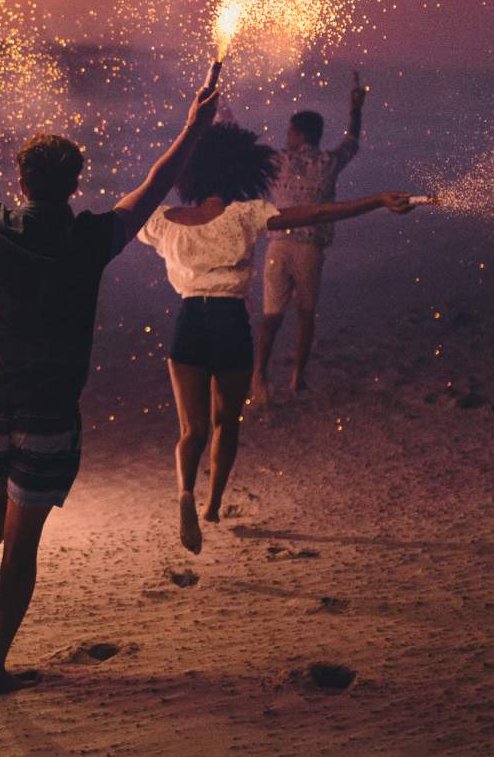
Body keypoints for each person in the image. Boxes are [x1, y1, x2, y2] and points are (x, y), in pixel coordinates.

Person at [0, 71, 219, 694]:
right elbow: (155, 186)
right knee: (22, 544)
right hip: (48, 414)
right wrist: (194, 126)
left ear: (21, 182)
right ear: (75, 185)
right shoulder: (92, 237)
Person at [137, 119, 412, 554]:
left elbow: (131, 205)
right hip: (230, 323)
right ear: (243, 171)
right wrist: (376, 200)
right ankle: (211, 507)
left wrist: (169, 164)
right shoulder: (246, 215)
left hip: (189, 321)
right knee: (226, 422)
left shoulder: (164, 221)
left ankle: (185, 493)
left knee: (191, 430)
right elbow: (318, 213)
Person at [254, 71, 368, 403]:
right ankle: (297, 377)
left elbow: (246, 149)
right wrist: (355, 109)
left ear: (299, 134)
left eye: (290, 131)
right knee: (305, 313)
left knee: (271, 315)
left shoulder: (278, 160)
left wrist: (220, 111)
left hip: (278, 245)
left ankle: (259, 374)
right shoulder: (328, 162)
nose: (286, 136)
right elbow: (353, 142)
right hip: (310, 249)